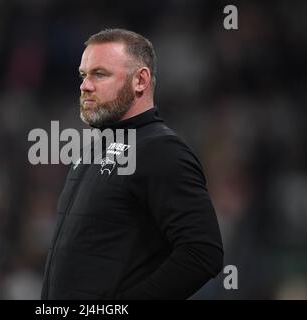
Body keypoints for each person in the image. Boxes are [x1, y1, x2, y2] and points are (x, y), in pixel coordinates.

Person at [41, 29, 223, 299]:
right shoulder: (91, 150)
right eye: (83, 75)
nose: (85, 85)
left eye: (99, 74)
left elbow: (202, 252)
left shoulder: (161, 150)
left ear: (140, 80)